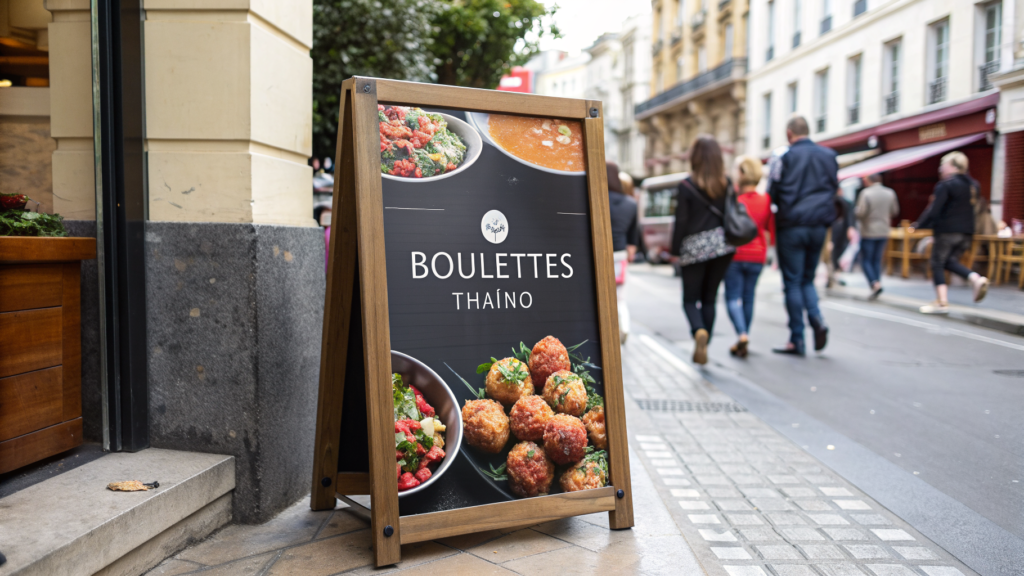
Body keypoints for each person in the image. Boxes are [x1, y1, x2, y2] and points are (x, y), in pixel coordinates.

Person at [767, 116, 837, 356]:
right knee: (807, 279)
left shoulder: (783, 156)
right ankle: (817, 319)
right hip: (819, 226)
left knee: (792, 282)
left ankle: (797, 338)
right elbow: (833, 188)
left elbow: (772, 190)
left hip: (792, 225)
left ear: (789, 133)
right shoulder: (829, 155)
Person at [669, 136, 735, 365]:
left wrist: (675, 250)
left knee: (690, 299)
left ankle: (698, 331)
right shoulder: (727, 183)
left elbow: (681, 221)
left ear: (695, 158)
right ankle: (705, 340)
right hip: (722, 247)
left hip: (694, 248)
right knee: (709, 299)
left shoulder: (686, 185)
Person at [912, 151, 989, 314]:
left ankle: (942, 302)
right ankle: (975, 279)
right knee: (948, 261)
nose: (940, 168)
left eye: (943, 165)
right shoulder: (973, 185)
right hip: (967, 232)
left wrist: (918, 225)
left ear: (953, 167)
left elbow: (934, 210)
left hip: (947, 231)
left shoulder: (946, 184)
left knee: (937, 262)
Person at [723, 156, 773, 358]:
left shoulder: (735, 201)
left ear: (742, 174)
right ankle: (744, 337)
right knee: (748, 297)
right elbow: (769, 230)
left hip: (736, 254)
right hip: (758, 254)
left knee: (732, 297)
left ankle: (741, 334)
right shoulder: (766, 200)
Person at [607, 162, 640, 344]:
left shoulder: (596, 199)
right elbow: (633, 239)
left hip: (598, 254)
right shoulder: (631, 203)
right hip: (620, 254)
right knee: (620, 297)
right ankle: (624, 328)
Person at [855, 173, 899, 299]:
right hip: (884, 230)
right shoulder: (890, 192)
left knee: (866, 260)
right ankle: (877, 283)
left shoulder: (866, 193)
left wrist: (855, 212)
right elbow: (895, 211)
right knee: (877, 259)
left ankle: (874, 283)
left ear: (869, 180)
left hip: (869, 231)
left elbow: (861, 212)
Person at [827, 190, 856, 288]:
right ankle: (834, 275)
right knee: (834, 253)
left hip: (837, 231)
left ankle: (833, 275)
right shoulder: (844, 202)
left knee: (833, 254)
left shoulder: (837, 201)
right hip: (838, 231)